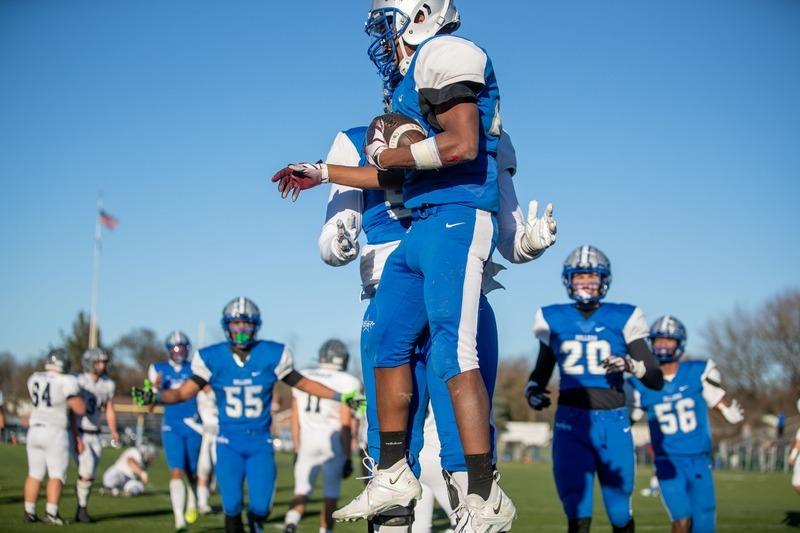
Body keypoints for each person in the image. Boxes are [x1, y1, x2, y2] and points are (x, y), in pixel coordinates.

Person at [311, 121, 554, 531]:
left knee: (465, 448)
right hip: (391, 291)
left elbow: (510, 238)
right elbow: (331, 236)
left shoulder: (473, 135)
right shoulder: (356, 139)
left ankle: (479, 512)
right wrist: (338, 242)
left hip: (458, 288)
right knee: (391, 453)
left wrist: (529, 242)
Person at [133, 297, 364, 533]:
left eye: (247, 324)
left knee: (261, 507)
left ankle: (255, 521)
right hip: (227, 441)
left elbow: (303, 383)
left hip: (259, 442)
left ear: (256, 326)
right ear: (227, 326)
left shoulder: (271, 354)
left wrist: (341, 397)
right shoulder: (213, 358)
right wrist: (156, 397)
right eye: (236, 324)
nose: (241, 329)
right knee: (231, 506)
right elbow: (183, 392)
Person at [526, 245, 664, 533]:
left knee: (619, 513)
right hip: (570, 422)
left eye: (592, 276)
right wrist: (533, 390)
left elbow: (654, 378)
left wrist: (630, 365)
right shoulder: (552, 318)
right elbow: (542, 369)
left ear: (604, 280)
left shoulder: (624, 316)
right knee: (577, 512)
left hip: (613, 421)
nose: (586, 283)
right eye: (580, 277)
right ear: (569, 280)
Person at [629, 315, 744, 533]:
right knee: (681, 520)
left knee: (704, 522)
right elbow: (627, 419)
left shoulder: (697, 372)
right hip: (667, 461)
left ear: (679, 343)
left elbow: (717, 397)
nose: (662, 345)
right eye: (658, 340)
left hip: (698, 458)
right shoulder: (640, 383)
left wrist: (726, 407)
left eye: (668, 340)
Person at [283, 339, 362, 533]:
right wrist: (347, 456)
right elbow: (345, 422)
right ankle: (325, 530)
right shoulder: (348, 381)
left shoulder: (305, 375)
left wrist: (296, 446)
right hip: (332, 441)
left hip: (307, 439)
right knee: (331, 493)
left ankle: (290, 523)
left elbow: (294, 416)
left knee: (301, 490)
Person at [23, 348, 86, 525]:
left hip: (34, 429)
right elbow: (79, 408)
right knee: (57, 474)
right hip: (55, 431)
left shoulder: (35, 377)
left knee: (34, 473)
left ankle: (29, 511)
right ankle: (51, 513)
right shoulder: (66, 381)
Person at [149, 330, 201, 531]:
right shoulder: (158, 370)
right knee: (176, 470)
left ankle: (193, 500)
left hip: (195, 425)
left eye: (182, 348)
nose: (179, 352)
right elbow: (151, 406)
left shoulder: (196, 369)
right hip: (172, 425)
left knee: (193, 472)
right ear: (169, 350)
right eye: (175, 348)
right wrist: (155, 389)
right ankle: (179, 519)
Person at [73, 348, 120, 523]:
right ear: (89, 363)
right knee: (86, 469)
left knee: (90, 473)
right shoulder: (79, 381)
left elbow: (109, 409)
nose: (102, 365)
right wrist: (75, 435)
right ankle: (82, 509)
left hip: (96, 434)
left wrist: (114, 430)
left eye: (103, 362)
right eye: (98, 362)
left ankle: (81, 508)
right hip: (80, 431)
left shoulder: (108, 383)